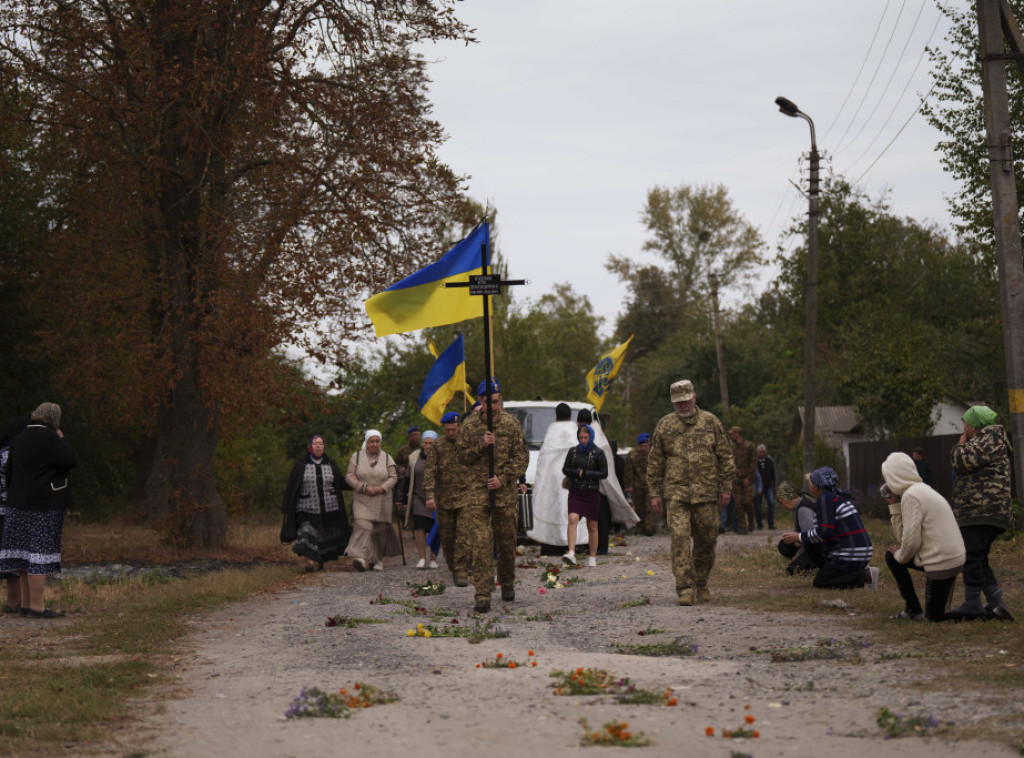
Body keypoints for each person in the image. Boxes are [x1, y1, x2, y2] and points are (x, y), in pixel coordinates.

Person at [648, 379, 735, 606]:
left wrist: (726, 488)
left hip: (706, 494)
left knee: (707, 540)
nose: (682, 406)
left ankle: (701, 583)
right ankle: (685, 589)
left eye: (685, 401)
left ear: (694, 398)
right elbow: (655, 462)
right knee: (679, 539)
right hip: (676, 495)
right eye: (678, 403)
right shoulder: (665, 426)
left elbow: (726, 457)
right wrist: (654, 493)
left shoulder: (711, 422)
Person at [457, 378, 529, 613]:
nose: (493, 407)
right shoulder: (469, 426)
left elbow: (522, 457)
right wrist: (481, 445)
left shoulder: (511, 424)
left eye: (497, 402)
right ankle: (482, 594)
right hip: (478, 492)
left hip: (504, 493)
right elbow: (462, 457)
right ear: (480, 401)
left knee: (507, 542)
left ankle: (507, 581)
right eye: (489, 402)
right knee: (480, 544)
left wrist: (504, 478)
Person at [0, 403, 75, 618]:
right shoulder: (49, 438)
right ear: (53, 419)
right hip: (43, 504)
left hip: (16, 504)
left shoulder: (18, 439)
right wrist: (60, 439)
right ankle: (37, 606)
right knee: (39, 555)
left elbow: (9, 473)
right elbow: (70, 459)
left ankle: (25, 605)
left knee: (24, 555)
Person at [880, 452, 965, 621]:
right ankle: (912, 610)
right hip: (952, 557)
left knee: (934, 619)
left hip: (941, 562)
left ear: (894, 477)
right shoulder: (922, 489)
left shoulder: (912, 496)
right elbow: (904, 538)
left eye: (888, 478)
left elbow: (910, 543)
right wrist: (895, 505)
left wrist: (900, 555)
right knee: (893, 556)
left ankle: (988, 615)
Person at [948, 405, 1014, 620]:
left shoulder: (987, 440)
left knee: (972, 556)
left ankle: (972, 604)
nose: (963, 427)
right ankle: (997, 605)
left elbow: (961, 461)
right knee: (979, 557)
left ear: (974, 426)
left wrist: (959, 446)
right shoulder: (992, 440)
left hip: (982, 509)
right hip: (987, 510)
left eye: (965, 423)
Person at [781, 466, 877, 590]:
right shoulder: (837, 497)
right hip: (861, 552)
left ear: (815, 487)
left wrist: (799, 537)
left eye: (810, 482)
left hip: (850, 554)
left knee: (821, 582)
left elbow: (824, 532)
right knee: (810, 543)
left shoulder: (825, 499)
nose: (809, 486)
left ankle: (864, 576)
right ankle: (830, 570)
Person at [279, 434, 352, 572]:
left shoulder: (331, 462)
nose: (318, 446)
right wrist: (286, 505)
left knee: (323, 535)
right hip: (306, 507)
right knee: (307, 531)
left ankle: (320, 562)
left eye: (320, 443)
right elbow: (292, 485)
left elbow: (340, 482)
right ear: (310, 447)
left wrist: (356, 482)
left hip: (329, 506)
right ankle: (310, 562)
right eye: (315, 443)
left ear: (324, 446)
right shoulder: (301, 463)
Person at [527, 403, 588, 556]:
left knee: (555, 508)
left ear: (556, 416)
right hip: (573, 477)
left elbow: (543, 463)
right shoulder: (576, 432)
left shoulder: (551, 433)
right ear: (570, 416)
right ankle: (576, 544)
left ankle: (552, 545)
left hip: (553, 479)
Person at [425, 412, 471, 586]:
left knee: (463, 536)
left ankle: (461, 570)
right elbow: (430, 471)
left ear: (459, 426)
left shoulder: (467, 443)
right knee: (448, 537)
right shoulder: (438, 446)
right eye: (448, 430)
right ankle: (454, 567)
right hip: (445, 500)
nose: (451, 433)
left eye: (453, 429)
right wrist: (429, 495)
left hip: (466, 498)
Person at [345, 430, 400, 572]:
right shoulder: (356, 457)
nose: (374, 444)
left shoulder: (387, 458)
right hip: (363, 498)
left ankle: (378, 560)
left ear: (380, 442)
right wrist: (363, 487)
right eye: (372, 441)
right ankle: (361, 558)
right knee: (363, 526)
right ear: (367, 443)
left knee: (379, 530)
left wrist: (382, 488)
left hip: (382, 499)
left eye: (377, 441)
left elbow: (394, 477)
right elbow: (349, 476)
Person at [561, 424, 608, 567]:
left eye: (586, 437)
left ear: (591, 436)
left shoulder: (598, 453)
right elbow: (565, 469)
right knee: (572, 518)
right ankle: (571, 552)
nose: (583, 440)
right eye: (580, 438)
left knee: (592, 525)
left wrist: (586, 473)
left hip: (592, 491)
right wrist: (577, 473)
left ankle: (592, 557)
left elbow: (604, 473)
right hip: (576, 490)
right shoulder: (573, 452)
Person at [0, 415, 30, 613]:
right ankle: (14, 603)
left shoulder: (2, 451)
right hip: (9, 510)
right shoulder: (15, 453)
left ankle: (13, 603)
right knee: (15, 558)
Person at [400, 430, 439, 569]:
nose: (428, 445)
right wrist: (405, 500)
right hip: (417, 496)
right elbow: (408, 479)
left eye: (431, 443)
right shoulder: (414, 457)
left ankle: (433, 558)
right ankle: (422, 557)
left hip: (436, 497)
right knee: (419, 526)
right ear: (422, 443)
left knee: (435, 528)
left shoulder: (441, 456)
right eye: (426, 442)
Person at [775, 481, 822, 574]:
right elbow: (798, 532)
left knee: (791, 570)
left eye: (782, 502)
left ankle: (809, 566)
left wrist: (798, 556)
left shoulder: (802, 509)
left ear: (787, 498)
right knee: (784, 544)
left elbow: (810, 538)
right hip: (809, 543)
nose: (782, 506)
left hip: (818, 546)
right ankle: (805, 564)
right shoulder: (798, 506)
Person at [624, 433, 655, 535]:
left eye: (645, 446)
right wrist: (628, 485)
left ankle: (649, 528)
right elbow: (628, 471)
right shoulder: (632, 455)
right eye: (641, 446)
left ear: (649, 444)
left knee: (649, 507)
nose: (643, 448)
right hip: (637, 485)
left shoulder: (653, 454)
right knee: (639, 507)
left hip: (650, 485)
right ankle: (640, 526)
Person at [729, 426, 756, 534]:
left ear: (737, 434)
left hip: (747, 478)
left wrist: (748, 477)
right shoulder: (732, 448)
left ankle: (751, 523)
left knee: (748, 502)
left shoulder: (749, 446)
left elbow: (753, 462)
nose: (731, 436)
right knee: (738, 504)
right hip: (736, 479)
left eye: (732, 434)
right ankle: (742, 527)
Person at [755, 444, 777, 529]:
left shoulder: (769, 460)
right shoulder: (755, 461)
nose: (761, 453)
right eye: (759, 452)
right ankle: (759, 524)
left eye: (762, 452)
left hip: (768, 486)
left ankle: (771, 523)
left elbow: (774, 473)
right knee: (757, 506)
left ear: (765, 452)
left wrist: (775, 484)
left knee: (771, 503)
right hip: (758, 487)